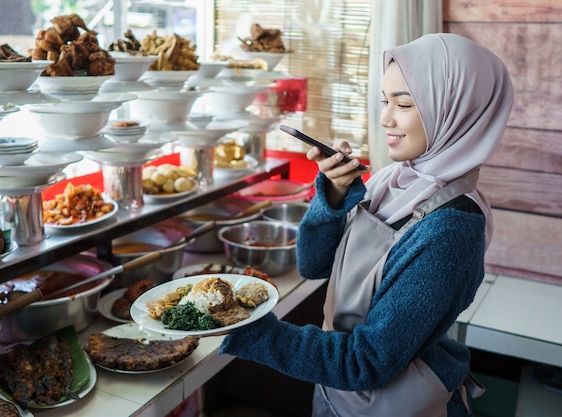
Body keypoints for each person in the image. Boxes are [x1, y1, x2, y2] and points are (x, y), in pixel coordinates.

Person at [218, 33, 514, 416]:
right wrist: (335, 197)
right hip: (338, 391)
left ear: (456, 110)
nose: (385, 118)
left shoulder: (451, 231)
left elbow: (366, 362)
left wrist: (243, 326)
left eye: (404, 103)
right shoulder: (392, 182)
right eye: (384, 100)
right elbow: (314, 265)